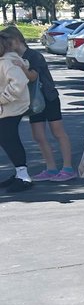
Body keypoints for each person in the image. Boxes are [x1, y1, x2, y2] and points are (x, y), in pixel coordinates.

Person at [0, 26, 74, 180]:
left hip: (48, 97)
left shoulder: (33, 55)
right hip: (34, 102)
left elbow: (33, 76)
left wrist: (22, 67)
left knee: (58, 132)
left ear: (15, 40)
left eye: (6, 41)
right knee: (39, 136)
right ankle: (51, 168)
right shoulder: (14, 56)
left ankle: (68, 168)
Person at [0, 33, 33, 192]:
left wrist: (2, 99)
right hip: (9, 108)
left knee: (9, 139)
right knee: (7, 139)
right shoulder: (8, 60)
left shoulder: (7, 62)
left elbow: (18, 84)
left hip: (11, 108)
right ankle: (20, 173)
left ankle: (23, 175)